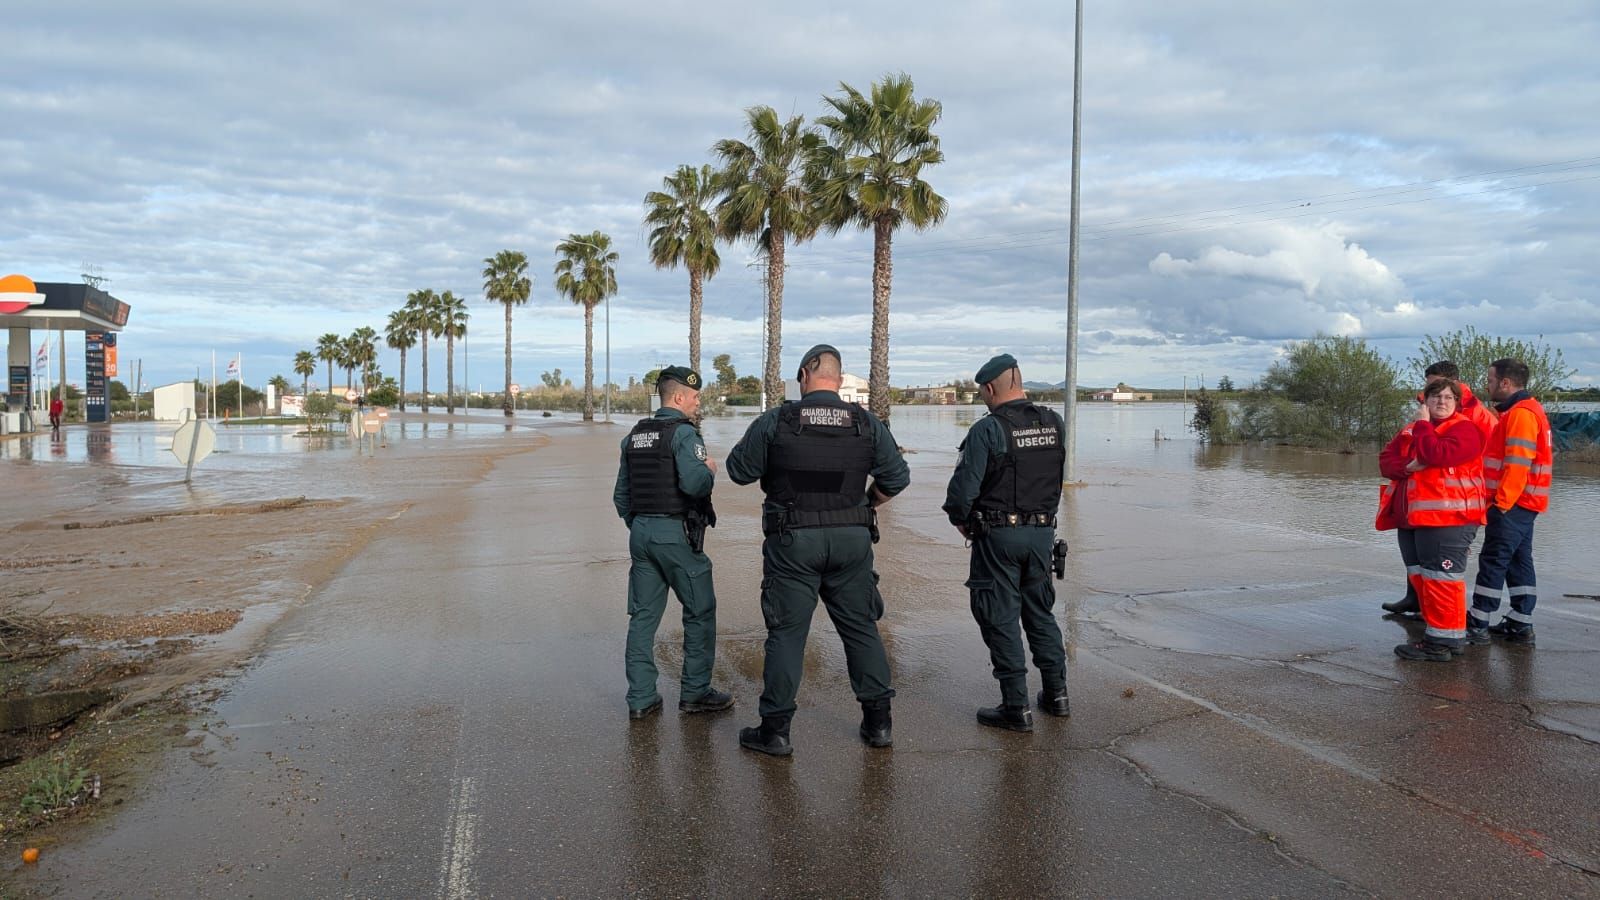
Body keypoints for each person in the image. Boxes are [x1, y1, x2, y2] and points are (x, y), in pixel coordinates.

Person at [725, 345, 910, 756]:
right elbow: (897, 477)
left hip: (793, 541)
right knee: (861, 629)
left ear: (804, 376)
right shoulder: (866, 423)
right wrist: (868, 502)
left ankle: (775, 732)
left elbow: (739, 471)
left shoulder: (778, 420)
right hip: (852, 539)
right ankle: (879, 724)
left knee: (788, 635)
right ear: (840, 380)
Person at [942, 354, 1070, 730]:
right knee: (1040, 614)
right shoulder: (1054, 422)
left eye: (982, 392)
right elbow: (1056, 477)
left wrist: (962, 520)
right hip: (1042, 534)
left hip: (999, 536)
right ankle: (1057, 695)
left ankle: (1016, 708)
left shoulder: (989, 429)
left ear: (988, 388)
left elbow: (963, 491)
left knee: (999, 618)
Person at [612, 366, 732, 720]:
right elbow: (695, 484)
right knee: (699, 610)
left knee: (643, 617)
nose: (698, 403)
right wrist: (709, 469)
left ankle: (641, 698)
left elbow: (621, 497)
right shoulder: (684, 435)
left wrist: (641, 525)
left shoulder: (634, 435)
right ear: (678, 397)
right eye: (695, 397)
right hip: (675, 535)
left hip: (642, 534)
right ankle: (695, 693)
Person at [1377, 379, 1487, 661]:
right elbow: (1386, 461)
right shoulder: (1412, 429)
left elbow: (1433, 453)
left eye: (1449, 397)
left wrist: (1423, 427)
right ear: (1425, 401)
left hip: (1450, 520)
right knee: (1425, 577)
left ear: (1457, 402)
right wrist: (1407, 466)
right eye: (1436, 396)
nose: (1442, 401)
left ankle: (1441, 643)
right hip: (1416, 519)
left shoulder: (1465, 429)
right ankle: (1442, 635)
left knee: (1442, 580)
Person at [1467, 358, 1553, 646]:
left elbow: (1517, 464)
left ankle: (1478, 622)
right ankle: (1520, 621)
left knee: (1494, 560)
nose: (1487, 385)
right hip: (1524, 503)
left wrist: (1501, 503)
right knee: (1518, 560)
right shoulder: (1525, 411)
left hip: (1512, 504)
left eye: (1490, 380)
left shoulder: (1521, 414)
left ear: (1505, 383)